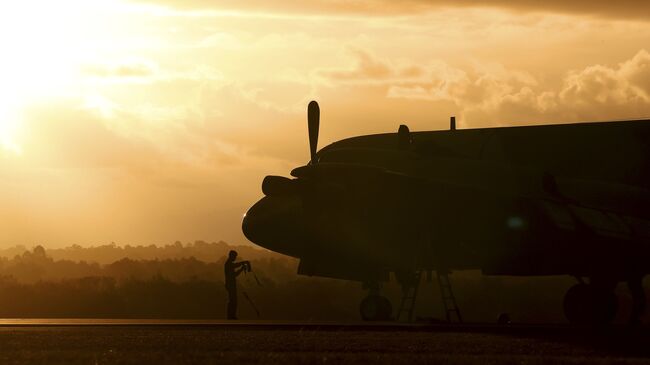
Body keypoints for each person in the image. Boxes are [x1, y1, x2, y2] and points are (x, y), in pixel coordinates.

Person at [224, 250, 250, 320]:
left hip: (231, 284)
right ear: (231, 256)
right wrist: (243, 263)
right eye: (235, 256)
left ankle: (231, 315)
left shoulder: (229, 264)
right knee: (233, 300)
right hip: (230, 284)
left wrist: (241, 268)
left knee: (233, 300)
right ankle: (231, 316)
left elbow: (235, 273)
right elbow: (235, 268)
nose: (235, 258)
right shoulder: (228, 264)